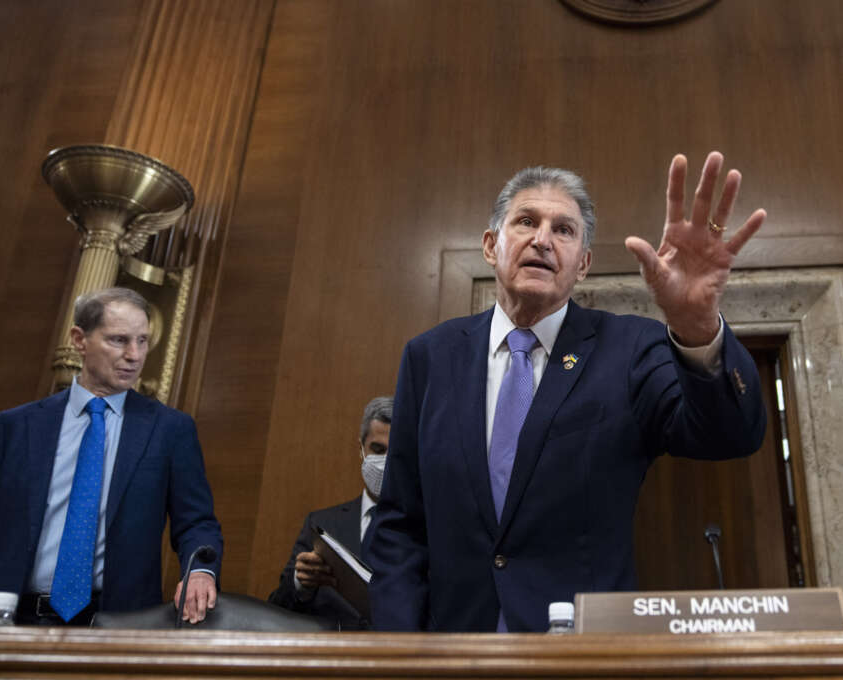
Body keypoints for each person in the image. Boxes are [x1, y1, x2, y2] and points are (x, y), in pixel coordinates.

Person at [367, 152, 769, 632]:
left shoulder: (630, 349)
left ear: (583, 264)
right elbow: (400, 522)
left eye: (564, 230)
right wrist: (400, 649)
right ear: (491, 246)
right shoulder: (430, 358)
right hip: (454, 653)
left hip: (584, 653)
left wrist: (696, 325)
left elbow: (731, 436)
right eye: (526, 221)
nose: (542, 239)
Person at [0, 287, 222, 625]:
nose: (135, 355)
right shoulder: (16, 427)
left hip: (118, 625)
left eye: (142, 341)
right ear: (79, 340)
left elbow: (197, 523)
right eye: (119, 340)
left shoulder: (170, 430)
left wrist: (200, 571)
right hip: (12, 621)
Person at [267, 395, 392, 628]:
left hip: (393, 657)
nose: (385, 461)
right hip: (328, 656)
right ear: (361, 450)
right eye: (377, 449)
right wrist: (301, 584)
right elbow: (277, 610)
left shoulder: (426, 527)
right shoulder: (322, 524)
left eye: (392, 453)